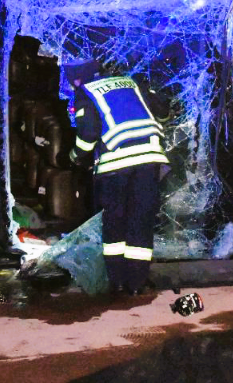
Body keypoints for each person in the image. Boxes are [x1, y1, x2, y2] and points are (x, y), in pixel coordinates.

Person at [63, 59, 169, 296]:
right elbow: (163, 112)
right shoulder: (131, 83)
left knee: (115, 223)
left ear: (77, 78)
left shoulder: (85, 92)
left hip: (115, 165)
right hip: (149, 159)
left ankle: (118, 281)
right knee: (140, 221)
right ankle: (137, 282)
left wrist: (74, 157)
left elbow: (88, 135)